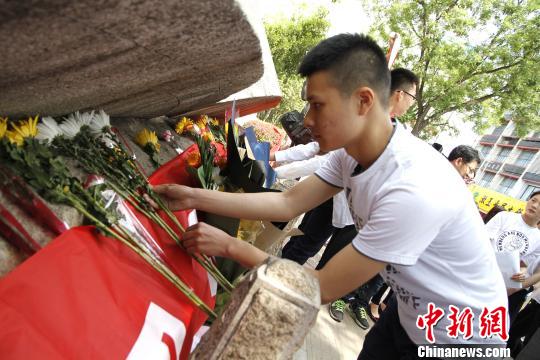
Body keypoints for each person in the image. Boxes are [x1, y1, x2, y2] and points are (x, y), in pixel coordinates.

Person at [151, 34, 507, 357]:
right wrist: (193, 197)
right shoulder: (350, 153)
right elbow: (287, 202)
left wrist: (229, 246)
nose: (306, 120)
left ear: (363, 101)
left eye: (318, 105)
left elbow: (318, 287)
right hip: (413, 312)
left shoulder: (412, 191)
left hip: (465, 337)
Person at [324, 67, 420, 329]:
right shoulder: (347, 148)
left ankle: (354, 300)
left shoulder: (405, 160)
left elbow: (322, 284)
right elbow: (289, 202)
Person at [486, 190, 540, 322]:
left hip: (500, 290)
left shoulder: (538, 239)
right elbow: (482, 243)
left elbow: (523, 267)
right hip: (479, 274)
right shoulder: (504, 217)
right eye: (533, 200)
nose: (534, 206)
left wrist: (511, 288)